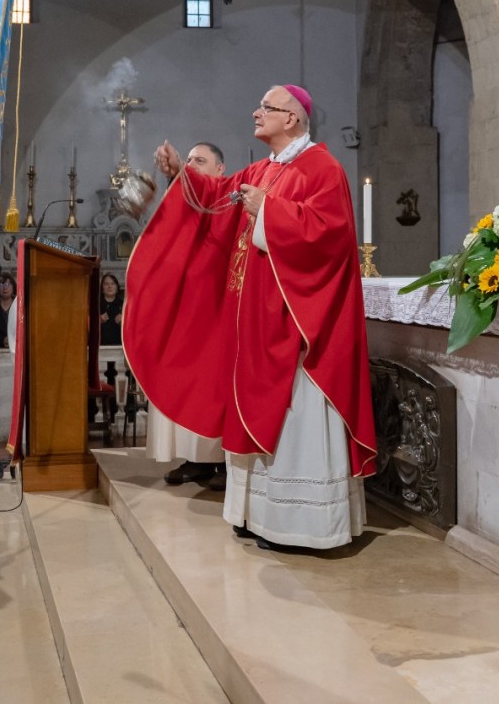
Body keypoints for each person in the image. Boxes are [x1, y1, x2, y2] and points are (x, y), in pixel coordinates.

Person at [126, 85, 377, 550]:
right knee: (250, 413)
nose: (255, 112)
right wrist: (182, 172)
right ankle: (255, 516)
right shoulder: (265, 168)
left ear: (294, 119)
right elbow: (220, 195)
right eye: (259, 105)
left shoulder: (323, 168)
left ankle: (300, 526)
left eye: (267, 108)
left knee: (294, 420)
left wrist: (271, 210)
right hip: (255, 323)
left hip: (297, 328)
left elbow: (332, 236)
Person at [147, 142, 229, 491]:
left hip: (217, 308)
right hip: (185, 307)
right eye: (190, 160)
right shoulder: (185, 194)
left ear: (220, 169)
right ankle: (196, 460)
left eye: (201, 161)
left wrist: (181, 169)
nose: (193, 166)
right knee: (185, 383)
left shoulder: (228, 196)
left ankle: (223, 460)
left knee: (214, 386)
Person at [99, 273, 124, 347]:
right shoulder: (95, 305)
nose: (110, 286)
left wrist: (123, 322)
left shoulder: (124, 305)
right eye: (106, 284)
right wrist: (98, 321)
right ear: (102, 288)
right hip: (99, 347)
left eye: (113, 284)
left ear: (117, 287)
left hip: (119, 346)